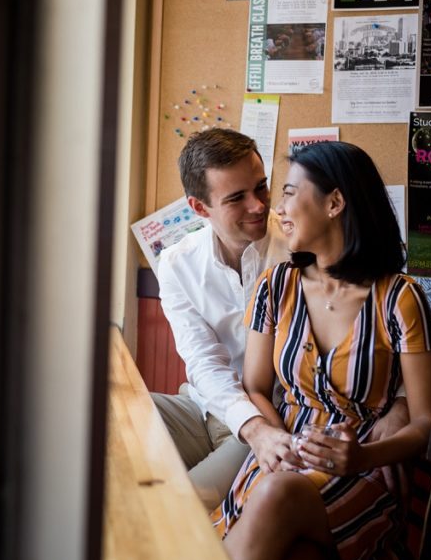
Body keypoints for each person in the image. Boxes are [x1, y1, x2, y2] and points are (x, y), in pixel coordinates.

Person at [211, 141, 431, 560]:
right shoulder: (275, 286)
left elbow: (426, 422)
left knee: (279, 495)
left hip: (363, 474)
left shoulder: (400, 298)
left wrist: (362, 458)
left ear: (335, 203)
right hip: (283, 455)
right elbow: (256, 388)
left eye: (290, 193)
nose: (278, 210)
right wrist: (279, 441)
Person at [153, 129, 409, 512]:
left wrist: (401, 404)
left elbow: (379, 327)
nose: (259, 206)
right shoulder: (176, 263)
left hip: (281, 418)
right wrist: (252, 427)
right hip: (209, 408)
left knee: (175, 507)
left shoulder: (303, 245)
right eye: (237, 198)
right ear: (200, 208)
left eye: (262, 187)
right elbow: (203, 362)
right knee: (104, 418)